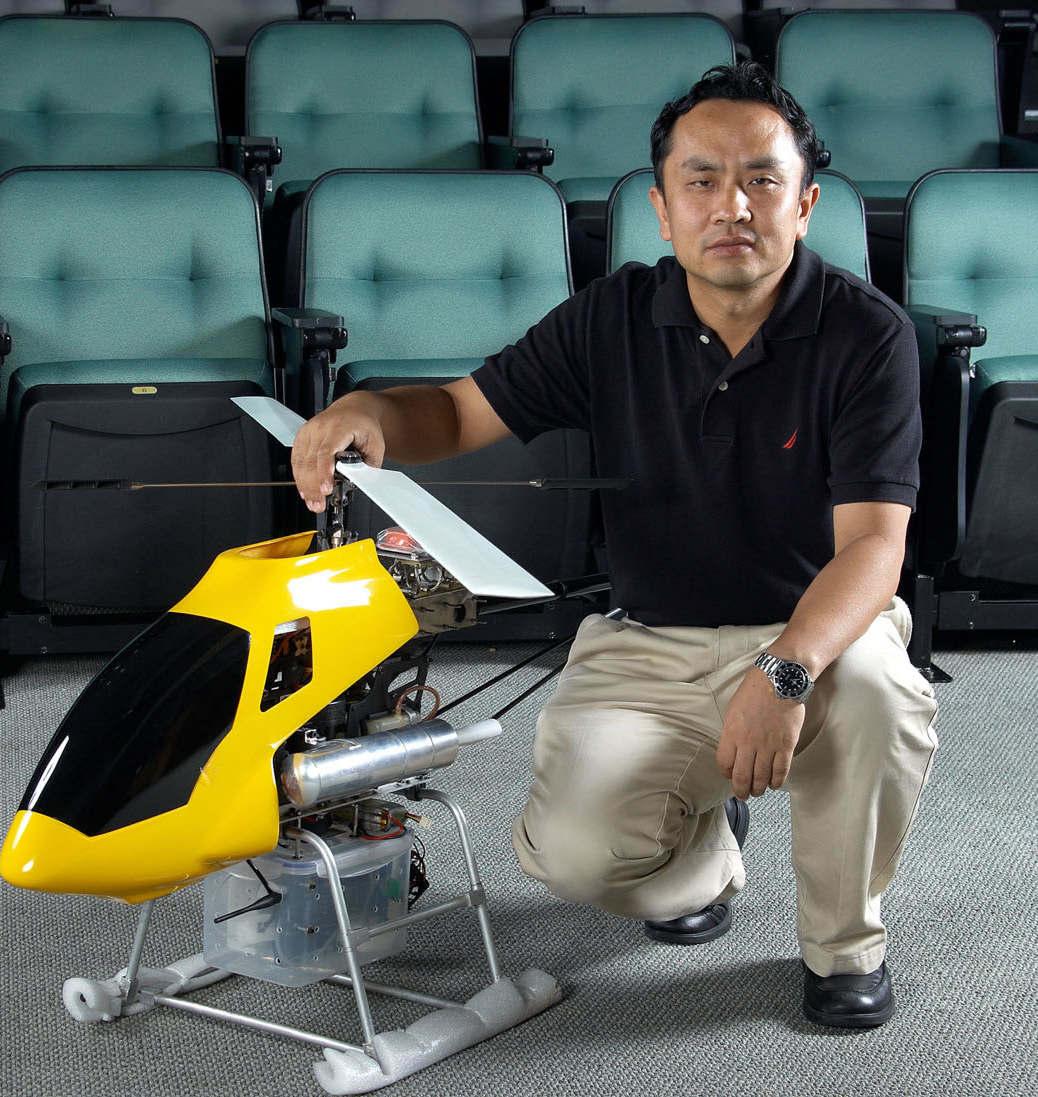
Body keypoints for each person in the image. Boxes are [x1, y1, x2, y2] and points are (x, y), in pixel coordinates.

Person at [289, 62, 939, 1029]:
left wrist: (787, 671)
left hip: (813, 633)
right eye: (702, 179)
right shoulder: (612, 317)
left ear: (804, 205)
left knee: (885, 693)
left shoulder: (867, 334)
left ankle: (845, 946)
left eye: (762, 180)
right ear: (662, 209)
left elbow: (875, 549)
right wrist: (371, 410)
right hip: (651, 640)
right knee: (572, 856)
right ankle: (708, 855)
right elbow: (460, 411)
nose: (733, 205)